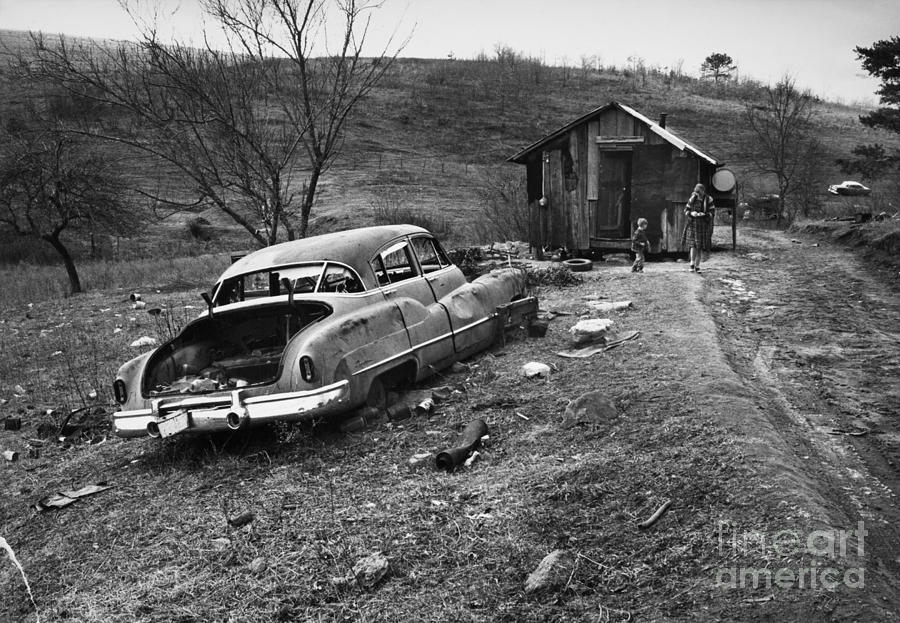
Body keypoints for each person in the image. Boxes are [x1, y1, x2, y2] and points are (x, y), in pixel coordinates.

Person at [682, 183, 715, 272]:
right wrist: (691, 213)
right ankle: (692, 264)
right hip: (693, 224)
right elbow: (686, 210)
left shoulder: (709, 199)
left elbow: (712, 212)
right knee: (693, 245)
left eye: (699, 193)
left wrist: (704, 214)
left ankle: (697, 265)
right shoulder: (692, 198)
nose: (698, 195)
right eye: (697, 193)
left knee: (699, 246)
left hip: (703, 224)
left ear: (703, 191)